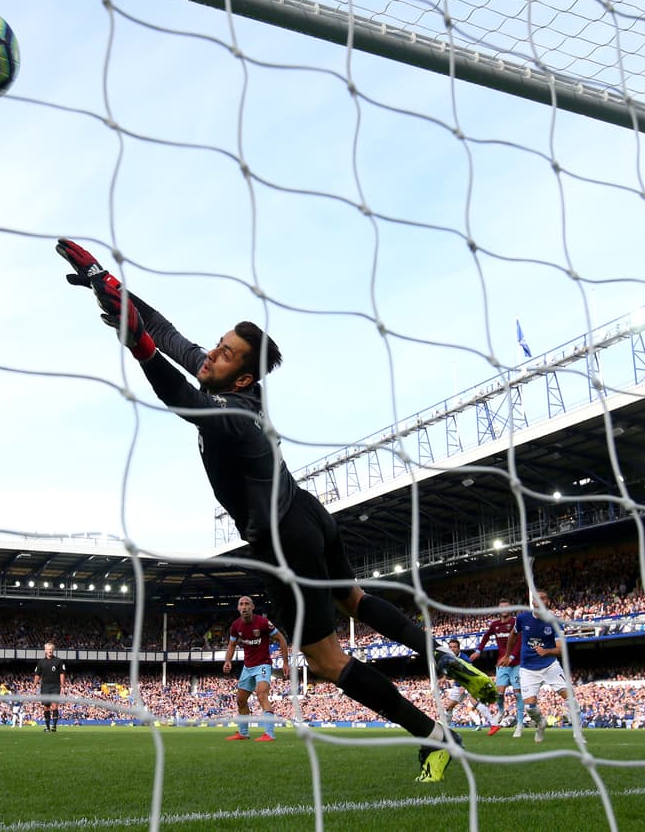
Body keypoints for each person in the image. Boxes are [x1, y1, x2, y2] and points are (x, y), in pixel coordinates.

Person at [57, 239, 497, 783]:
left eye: (224, 354)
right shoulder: (234, 388)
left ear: (244, 377)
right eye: (218, 345)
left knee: (328, 662)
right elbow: (169, 336)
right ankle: (448, 662)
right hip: (309, 513)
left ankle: (434, 736)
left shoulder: (236, 416)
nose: (211, 354)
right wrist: (109, 284)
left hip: (285, 543)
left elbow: (178, 394)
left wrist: (139, 346)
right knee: (354, 598)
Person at [504, 590, 581, 744]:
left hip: (550, 666)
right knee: (530, 708)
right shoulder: (522, 618)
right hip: (528, 669)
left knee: (571, 699)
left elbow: (561, 649)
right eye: (537, 599)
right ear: (533, 602)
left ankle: (578, 733)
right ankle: (540, 724)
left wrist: (547, 651)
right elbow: (513, 635)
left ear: (548, 602)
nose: (540, 601)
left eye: (544, 598)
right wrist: (507, 655)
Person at [222, 595, 291, 741]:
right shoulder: (236, 625)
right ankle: (243, 733)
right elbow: (232, 645)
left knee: (261, 695)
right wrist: (228, 660)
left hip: (263, 664)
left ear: (252, 607)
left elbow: (281, 639)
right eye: (241, 604)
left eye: (247, 604)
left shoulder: (263, 623)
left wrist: (285, 663)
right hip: (247, 667)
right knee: (240, 700)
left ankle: (269, 734)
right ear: (238, 608)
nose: (244, 607)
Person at [471, 600, 527, 737]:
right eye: (501, 607)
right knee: (499, 693)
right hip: (502, 664)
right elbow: (486, 636)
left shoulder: (515, 622)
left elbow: (520, 641)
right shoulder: (495, 625)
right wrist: (479, 650)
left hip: (516, 663)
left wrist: (512, 657)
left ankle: (520, 725)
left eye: (506, 607)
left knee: (518, 694)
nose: (504, 609)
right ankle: (501, 711)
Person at [442, 639, 501, 735]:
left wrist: (464, 686)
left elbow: (470, 673)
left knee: (474, 702)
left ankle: (494, 724)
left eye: (455, 647)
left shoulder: (465, 659)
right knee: (449, 707)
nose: (452, 649)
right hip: (458, 685)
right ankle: (447, 729)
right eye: (450, 647)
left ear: (459, 649)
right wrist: (444, 678)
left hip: (470, 683)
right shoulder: (449, 657)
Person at [33, 641, 66, 732]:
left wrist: (62, 685)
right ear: (45, 650)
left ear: (53, 650)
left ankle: (54, 726)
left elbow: (62, 674)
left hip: (55, 686)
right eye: (48, 649)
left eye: (51, 649)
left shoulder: (58, 661)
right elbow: (37, 674)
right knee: (46, 707)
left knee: (55, 706)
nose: (50, 651)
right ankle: (47, 727)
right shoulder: (41, 662)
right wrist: (34, 684)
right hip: (45, 687)